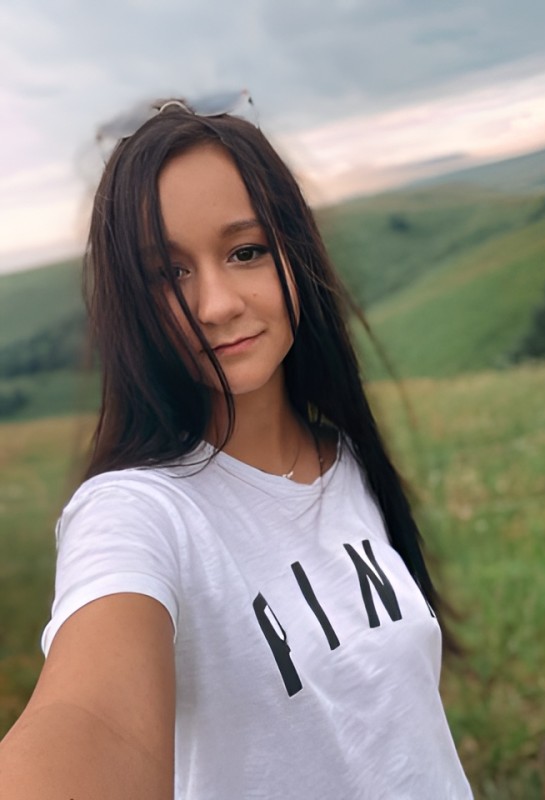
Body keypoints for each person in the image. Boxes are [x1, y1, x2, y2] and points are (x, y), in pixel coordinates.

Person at [0, 94, 472, 799]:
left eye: (246, 252)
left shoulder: (346, 458)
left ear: (295, 255)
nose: (217, 304)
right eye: (169, 274)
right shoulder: (136, 513)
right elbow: (91, 721)